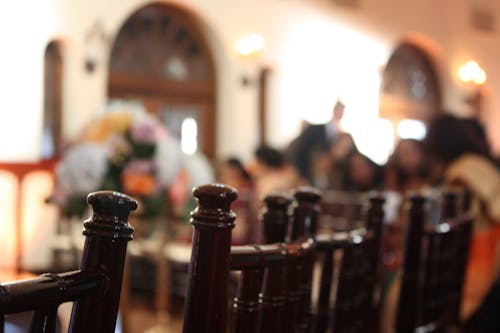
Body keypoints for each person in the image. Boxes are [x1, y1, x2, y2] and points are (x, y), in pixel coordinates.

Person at [291, 100, 345, 183]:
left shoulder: (342, 135)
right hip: (309, 175)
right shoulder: (314, 130)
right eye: (338, 110)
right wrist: (301, 175)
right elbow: (300, 151)